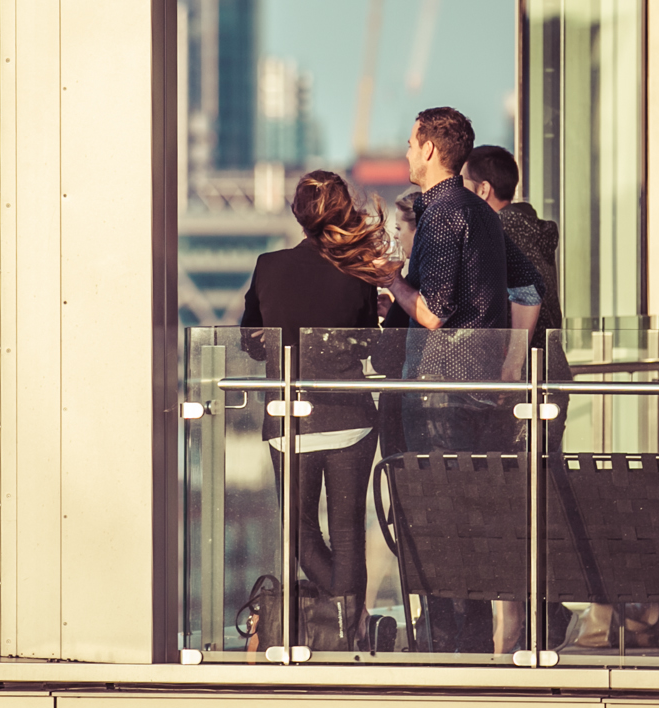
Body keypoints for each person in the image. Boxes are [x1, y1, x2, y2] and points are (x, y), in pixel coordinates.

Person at [379, 107, 540, 653]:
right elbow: (529, 290)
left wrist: (393, 281)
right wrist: (509, 364)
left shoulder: (445, 213)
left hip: (439, 390)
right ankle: (468, 637)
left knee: (438, 517)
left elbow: (435, 312)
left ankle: (450, 642)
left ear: (429, 150)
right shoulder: (481, 211)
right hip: (478, 390)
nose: (404, 152)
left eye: (409, 142)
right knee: (469, 516)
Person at [238, 170, 393, 652]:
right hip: (349, 417)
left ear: (297, 215)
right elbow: (368, 342)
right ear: (344, 212)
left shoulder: (268, 266)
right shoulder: (358, 270)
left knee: (301, 534)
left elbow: (252, 342)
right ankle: (351, 624)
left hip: (290, 419)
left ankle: (346, 620)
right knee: (348, 530)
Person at [461, 145, 562, 335]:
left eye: (462, 184)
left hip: (515, 358)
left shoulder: (494, 230)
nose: (457, 192)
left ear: (483, 189)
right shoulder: (528, 227)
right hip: (547, 358)